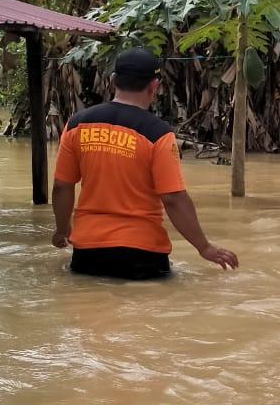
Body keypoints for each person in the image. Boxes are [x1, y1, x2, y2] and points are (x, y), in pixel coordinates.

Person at [51, 47, 239, 279]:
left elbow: (62, 186)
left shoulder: (77, 124)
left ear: (112, 81)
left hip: (88, 252)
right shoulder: (158, 133)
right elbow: (173, 199)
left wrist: (62, 230)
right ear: (154, 87)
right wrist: (204, 247)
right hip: (143, 255)